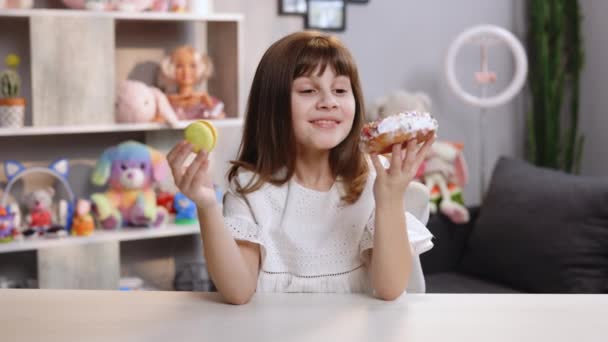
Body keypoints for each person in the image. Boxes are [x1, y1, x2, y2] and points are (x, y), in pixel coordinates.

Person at [166, 31, 435, 304]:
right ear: (272, 104)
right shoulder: (250, 187)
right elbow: (238, 291)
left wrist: (390, 198)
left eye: (340, 90)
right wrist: (207, 205)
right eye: (308, 90)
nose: (329, 101)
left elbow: (389, 288)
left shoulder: (373, 178)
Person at [160, 45, 225, 120]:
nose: (186, 71)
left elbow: (219, 120)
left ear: (200, 68)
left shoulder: (207, 100)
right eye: (179, 66)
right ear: (171, 68)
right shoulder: (166, 101)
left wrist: (208, 102)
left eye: (192, 66)